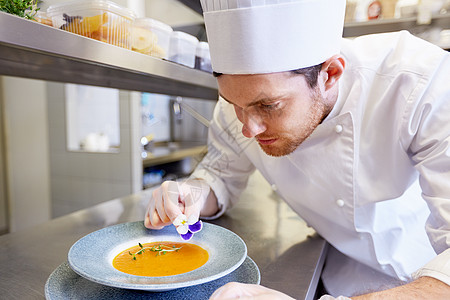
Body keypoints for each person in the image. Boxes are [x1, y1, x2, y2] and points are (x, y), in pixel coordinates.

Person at [144, 0, 450, 298]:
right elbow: (219, 174)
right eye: (235, 105)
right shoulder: (237, 109)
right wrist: (192, 193)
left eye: (269, 106)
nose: (249, 128)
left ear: (330, 74)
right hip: (340, 273)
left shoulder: (419, 83)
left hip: (428, 273)